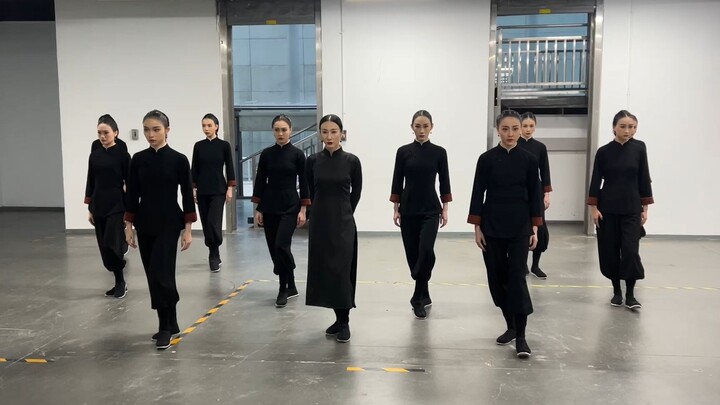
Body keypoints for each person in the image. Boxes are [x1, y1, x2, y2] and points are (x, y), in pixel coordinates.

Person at [468, 110, 542, 359]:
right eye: (505, 129)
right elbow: (478, 192)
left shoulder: (530, 160)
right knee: (497, 279)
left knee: (517, 278)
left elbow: (535, 195)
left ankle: (521, 335)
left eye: (515, 129)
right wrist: (477, 227)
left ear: (521, 130)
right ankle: (509, 324)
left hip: (520, 226)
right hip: (492, 226)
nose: (510, 134)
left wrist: (535, 228)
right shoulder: (486, 159)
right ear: (497, 130)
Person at [124, 110, 197, 350]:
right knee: (152, 276)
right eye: (146, 129)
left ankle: (165, 327)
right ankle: (170, 321)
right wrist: (128, 225)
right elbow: (132, 194)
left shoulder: (178, 159)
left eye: (156, 129)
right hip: (145, 223)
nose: (150, 134)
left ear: (167, 130)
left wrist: (188, 229)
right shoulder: (138, 159)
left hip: (169, 223)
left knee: (161, 275)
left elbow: (187, 194)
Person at [587, 110, 653, 310]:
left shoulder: (639, 148)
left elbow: (644, 178)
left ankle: (631, 294)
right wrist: (593, 208)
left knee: (631, 251)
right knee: (610, 250)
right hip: (608, 209)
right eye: (623, 126)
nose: (627, 130)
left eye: (632, 127)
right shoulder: (604, 152)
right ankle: (616, 291)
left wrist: (645, 208)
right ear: (614, 127)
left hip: (632, 207)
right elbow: (596, 181)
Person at [389, 110, 451, 319]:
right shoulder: (403, 151)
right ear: (412, 127)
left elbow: (444, 180)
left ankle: (417, 297)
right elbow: (397, 179)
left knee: (425, 250)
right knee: (413, 255)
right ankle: (424, 292)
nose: (422, 130)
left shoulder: (439, 152)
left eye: (425, 126)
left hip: (431, 210)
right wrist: (395, 208)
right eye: (418, 126)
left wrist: (445, 207)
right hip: (408, 209)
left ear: (432, 127)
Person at [305, 114, 362, 343]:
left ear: (341, 133)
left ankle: (345, 321)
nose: (329, 136)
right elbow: (309, 190)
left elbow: (355, 194)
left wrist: (345, 213)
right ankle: (338, 319)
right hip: (320, 222)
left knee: (341, 270)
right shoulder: (312, 161)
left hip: (343, 222)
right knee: (326, 271)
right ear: (320, 134)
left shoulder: (352, 161)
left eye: (334, 131)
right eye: (325, 131)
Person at [252, 114, 310, 307]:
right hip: (269, 205)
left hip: (290, 206)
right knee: (273, 249)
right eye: (277, 130)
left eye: (284, 129)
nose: (280, 133)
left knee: (281, 246)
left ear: (290, 131)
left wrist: (303, 209)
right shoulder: (266, 154)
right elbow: (260, 180)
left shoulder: (298, 155)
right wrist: (258, 208)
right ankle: (291, 283)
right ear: (273, 132)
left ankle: (282, 288)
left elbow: (304, 182)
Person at [84, 114, 131, 298]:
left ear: (116, 133)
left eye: (106, 132)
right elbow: (91, 181)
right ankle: (116, 275)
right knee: (104, 246)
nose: (102, 136)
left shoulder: (123, 155)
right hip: (98, 204)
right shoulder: (94, 156)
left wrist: (129, 210)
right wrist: (89, 207)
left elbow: (130, 182)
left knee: (112, 244)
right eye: (99, 133)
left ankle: (120, 280)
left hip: (116, 205)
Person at [191, 113, 236, 272]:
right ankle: (212, 252)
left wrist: (230, 188)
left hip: (218, 189)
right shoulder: (198, 146)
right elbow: (194, 168)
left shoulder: (224, 145)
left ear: (216, 126)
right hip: (202, 189)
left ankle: (215, 249)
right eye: (204, 126)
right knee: (205, 223)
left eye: (209, 125)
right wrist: (193, 188)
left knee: (213, 221)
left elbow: (229, 166)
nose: (206, 128)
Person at [517, 112, 552, 279]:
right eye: (525, 126)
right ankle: (522, 264)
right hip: (519, 192)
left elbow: (545, 171)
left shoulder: (540, 147)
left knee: (539, 227)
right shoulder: (514, 144)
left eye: (531, 126)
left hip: (536, 192)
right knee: (522, 228)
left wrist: (547, 194)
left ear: (535, 127)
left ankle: (535, 265)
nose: (528, 129)